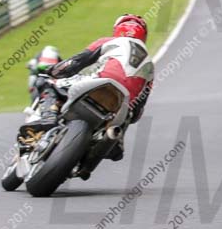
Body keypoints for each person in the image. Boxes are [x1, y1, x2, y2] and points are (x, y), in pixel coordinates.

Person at [20, 15, 154, 163]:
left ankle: (49, 116)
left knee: (47, 83)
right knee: (126, 117)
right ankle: (113, 143)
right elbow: (138, 112)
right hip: (121, 106)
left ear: (118, 30)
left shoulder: (110, 41)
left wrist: (54, 71)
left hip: (99, 82)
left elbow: (75, 62)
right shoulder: (150, 66)